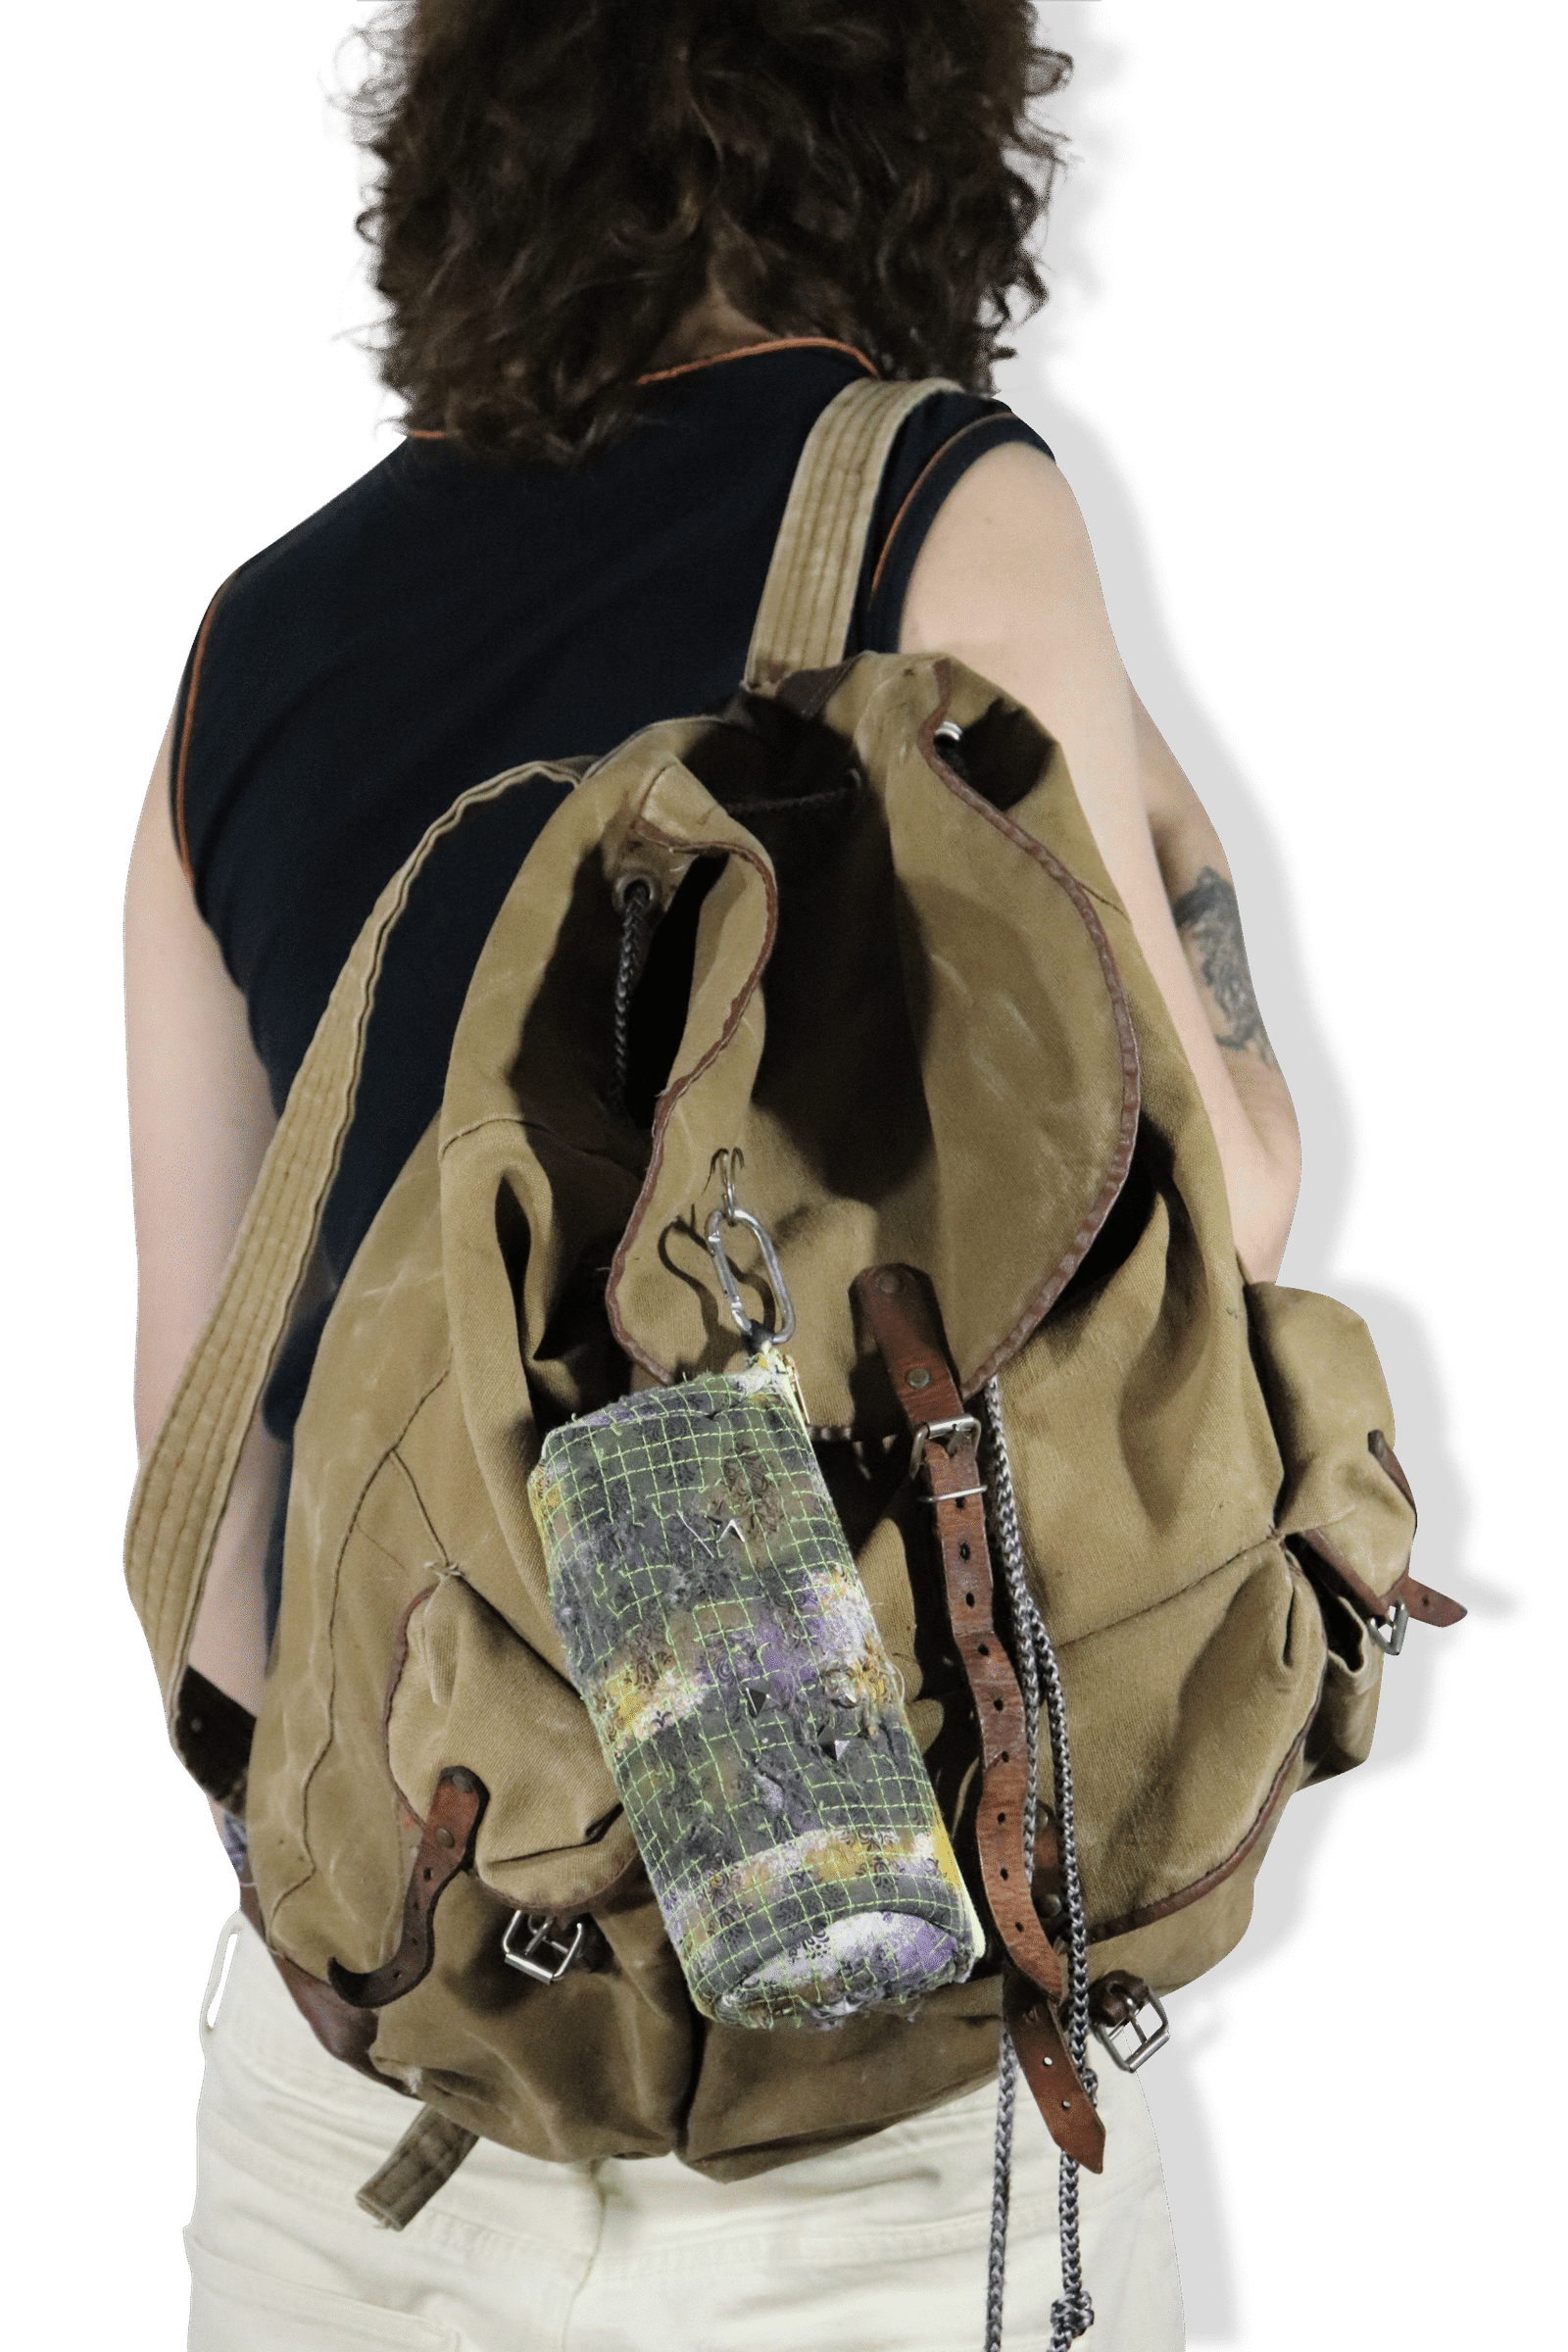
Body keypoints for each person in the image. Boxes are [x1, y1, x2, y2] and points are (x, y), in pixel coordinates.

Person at [122, 5, 1300, 2344]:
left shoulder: (243, 646)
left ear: (454, 169)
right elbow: (1207, 1225)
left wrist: (398, 1908)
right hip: (863, 2065)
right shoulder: (939, 501)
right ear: (931, 138)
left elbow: (201, 1441)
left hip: (362, 2092)